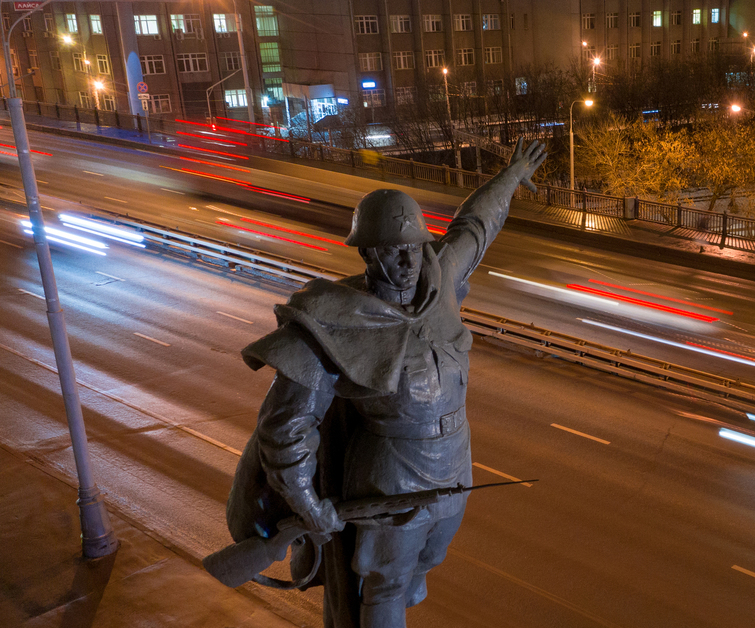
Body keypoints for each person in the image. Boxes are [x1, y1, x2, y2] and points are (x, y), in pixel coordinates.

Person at [225, 140, 547, 627]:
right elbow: (285, 426)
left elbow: (474, 227)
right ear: (370, 253)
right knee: (387, 584)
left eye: (414, 247)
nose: (408, 261)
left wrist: (510, 175)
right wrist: (308, 507)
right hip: (389, 473)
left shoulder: (440, 282)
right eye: (394, 251)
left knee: (425, 563)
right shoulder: (334, 321)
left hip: (455, 463)